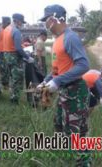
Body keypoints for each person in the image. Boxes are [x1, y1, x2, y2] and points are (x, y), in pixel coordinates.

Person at [38, 4, 90, 166]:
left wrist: (58, 81)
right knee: (61, 128)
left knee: (77, 134)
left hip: (75, 92)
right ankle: (69, 160)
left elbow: (83, 65)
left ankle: (84, 163)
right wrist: (46, 81)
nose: (44, 24)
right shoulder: (57, 40)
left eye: (46, 20)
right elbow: (57, 70)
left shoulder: (70, 37)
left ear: (54, 19)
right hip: (64, 92)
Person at [3, 13, 34, 104]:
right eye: (21, 22)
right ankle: (14, 100)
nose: (22, 24)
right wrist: (28, 57)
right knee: (18, 78)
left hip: (7, 55)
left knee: (12, 77)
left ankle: (12, 95)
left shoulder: (6, 29)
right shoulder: (16, 31)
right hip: (14, 57)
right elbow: (18, 48)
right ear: (17, 21)